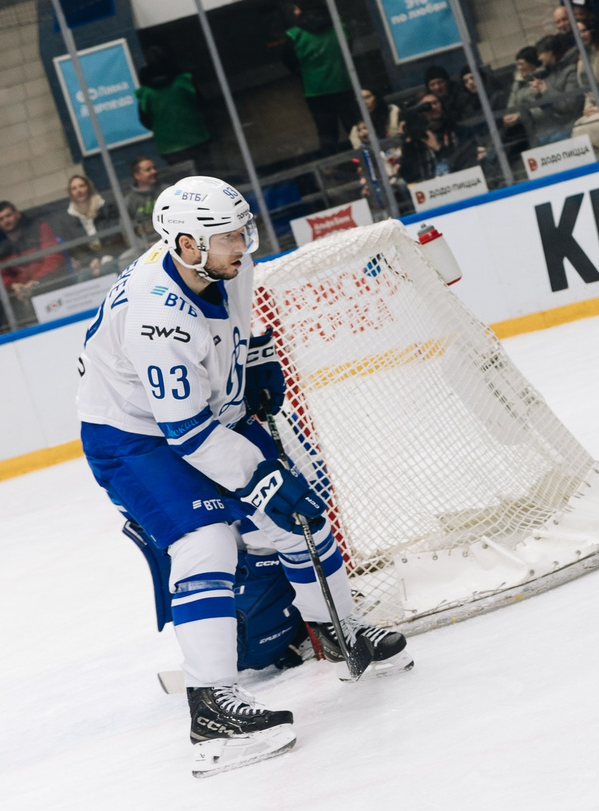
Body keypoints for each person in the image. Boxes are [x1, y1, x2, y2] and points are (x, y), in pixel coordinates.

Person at [75, 178, 410, 775]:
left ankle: (336, 630)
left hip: (207, 411)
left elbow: (241, 316)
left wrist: (257, 358)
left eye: (243, 229)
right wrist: (261, 481)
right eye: (229, 235)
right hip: (135, 436)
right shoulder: (158, 315)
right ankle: (212, 713)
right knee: (206, 541)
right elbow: (185, 434)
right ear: (185, 243)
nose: (244, 243)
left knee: (303, 511)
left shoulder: (225, 263)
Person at [278, 1, 360, 147]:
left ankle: (330, 167)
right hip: (343, 82)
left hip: (315, 90)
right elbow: (348, 48)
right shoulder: (339, 26)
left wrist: (302, 72)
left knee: (326, 132)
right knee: (355, 128)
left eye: (295, 8)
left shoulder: (294, 35)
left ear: (301, 10)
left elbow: (288, 60)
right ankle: (368, 162)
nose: (294, 12)